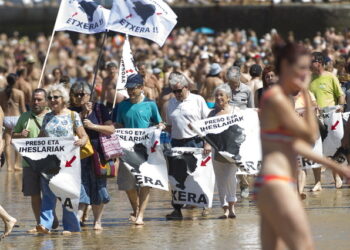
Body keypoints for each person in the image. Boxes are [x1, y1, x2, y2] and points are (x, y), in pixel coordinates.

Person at [256, 39, 350, 250]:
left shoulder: (278, 97)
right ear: (287, 68)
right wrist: (308, 97)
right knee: (304, 246)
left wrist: (336, 167)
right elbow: (309, 134)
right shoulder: (276, 99)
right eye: (303, 68)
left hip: (270, 183)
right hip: (276, 182)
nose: (306, 73)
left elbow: (294, 145)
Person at [36, 84, 88, 234]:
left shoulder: (73, 115)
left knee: (67, 194)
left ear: (63, 99)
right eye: (50, 98)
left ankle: (71, 227)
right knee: (47, 194)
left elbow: (84, 135)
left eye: (55, 97)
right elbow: (41, 136)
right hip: (49, 162)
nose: (52, 100)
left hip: (68, 163)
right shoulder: (47, 116)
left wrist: (81, 141)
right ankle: (45, 225)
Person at [114, 74, 164, 226]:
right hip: (127, 149)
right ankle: (136, 209)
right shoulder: (122, 105)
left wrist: (160, 126)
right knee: (128, 185)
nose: (130, 91)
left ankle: (140, 214)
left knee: (145, 183)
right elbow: (118, 125)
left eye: (133, 88)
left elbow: (159, 122)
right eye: (128, 88)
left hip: (146, 150)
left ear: (141, 88)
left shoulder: (150, 104)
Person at [70, 81, 115, 230]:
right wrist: (82, 114)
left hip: (98, 154)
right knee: (80, 186)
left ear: (90, 95)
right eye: (76, 94)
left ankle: (97, 221)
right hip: (78, 155)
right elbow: (69, 129)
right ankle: (77, 218)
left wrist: (93, 126)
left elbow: (110, 129)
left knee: (99, 186)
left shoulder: (99, 108)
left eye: (82, 94)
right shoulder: (71, 111)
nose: (79, 97)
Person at [165, 72, 210, 219]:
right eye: (174, 91)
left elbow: (207, 123)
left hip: (194, 141)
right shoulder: (171, 103)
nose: (177, 93)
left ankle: (205, 205)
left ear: (186, 87)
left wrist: (207, 143)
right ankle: (177, 210)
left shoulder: (198, 100)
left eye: (179, 90)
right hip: (176, 143)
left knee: (198, 175)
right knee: (176, 178)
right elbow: (170, 126)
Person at [12, 88, 53, 233]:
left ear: (46, 101)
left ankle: (49, 219)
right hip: (29, 163)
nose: (35, 102)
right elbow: (13, 136)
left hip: (49, 162)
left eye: (39, 99)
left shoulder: (52, 115)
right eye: (33, 99)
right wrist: (20, 135)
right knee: (34, 194)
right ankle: (40, 223)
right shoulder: (24, 117)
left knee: (51, 193)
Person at [309, 52, 345, 191]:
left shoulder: (330, 77)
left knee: (334, 148)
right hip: (315, 117)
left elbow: (340, 95)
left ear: (319, 62)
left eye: (312, 61)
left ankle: (337, 177)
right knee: (316, 149)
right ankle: (318, 182)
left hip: (331, 116)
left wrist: (340, 107)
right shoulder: (309, 79)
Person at [206, 84, 239, 219]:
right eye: (217, 95)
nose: (218, 98)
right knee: (220, 180)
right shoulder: (211, 113)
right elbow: (206, 132)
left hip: (233, 151)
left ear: (228, 98)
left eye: (221, 95)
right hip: (217, 152)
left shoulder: (235, 111)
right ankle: (224, 208)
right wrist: (206, 144)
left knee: (231, 178)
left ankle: (232, 207)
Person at [226, 66, 253, 198]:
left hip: (243, 130)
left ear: (238, 78)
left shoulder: (247, 90)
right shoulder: (223, 90)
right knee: (230, 158)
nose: (232, 85)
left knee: (242, 157)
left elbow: (252, 110)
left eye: (234, 82)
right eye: (230, 82)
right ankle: (231, 186)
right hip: (227, 130)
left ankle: (244, 184)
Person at [0, 73, 26, 171]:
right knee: (17, 141)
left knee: (7, 143)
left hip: (6, 118)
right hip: (17, 118)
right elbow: (23, 108)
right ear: (15, 81)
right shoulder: (19, 93)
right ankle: (16, 164)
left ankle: (9, 166)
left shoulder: (1, 93)